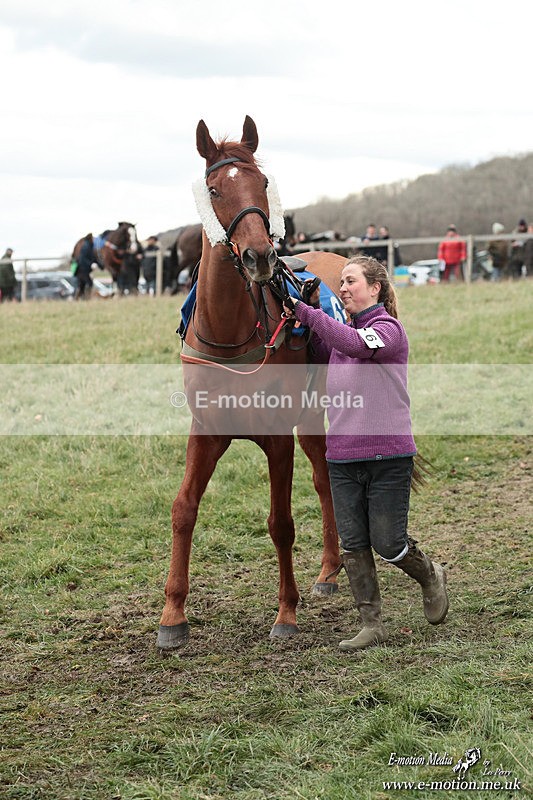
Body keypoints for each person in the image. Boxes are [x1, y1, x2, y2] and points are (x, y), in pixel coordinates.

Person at [282, 255, 449, 651]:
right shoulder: (341, 338)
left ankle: (430, 575)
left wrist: (311, 313)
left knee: (389, 543)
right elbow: (327, 345)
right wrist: (298, 322)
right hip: (341, 458)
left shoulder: (386, 331)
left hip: (387, 456)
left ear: (374, 288)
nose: (342, 288)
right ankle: (371, 623)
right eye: (339, 282)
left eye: (351, 281)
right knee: (354, 544)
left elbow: (354, 344)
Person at [75, 234, 96, 299]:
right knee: (89, 283)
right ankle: (87, 298)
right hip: (82, 270)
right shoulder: (86, 247)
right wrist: (90, 264)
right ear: (90, 239)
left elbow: (93, 258)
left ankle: (78, 299)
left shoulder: (89, 246)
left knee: (81, 285)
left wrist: (101, 266)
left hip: (83, 270)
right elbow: (82, 259)